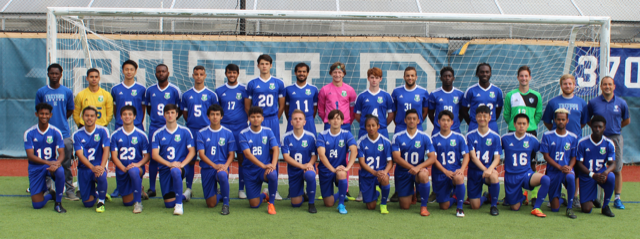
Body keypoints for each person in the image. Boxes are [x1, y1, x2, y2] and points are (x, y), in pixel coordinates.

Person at [244, 54, 285, 200]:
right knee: (255, 150)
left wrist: (274, 118)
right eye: (261, 64)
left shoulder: (278, 83)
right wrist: (254, 118)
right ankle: (252, 184)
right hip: (256, 119)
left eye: (267, 63)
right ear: (258, 66)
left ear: (271, 65)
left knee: (274, 150)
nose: (264, 66)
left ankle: (274, 188)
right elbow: (247, 105)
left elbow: (281, 105)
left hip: (272, 120)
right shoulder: (252, 83)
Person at [35, 63, 77, 201]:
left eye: (56, 73)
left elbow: (70, 109)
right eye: (51, 73)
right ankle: (47, 189)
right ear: (48, 74)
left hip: (63, 134)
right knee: (46, 163)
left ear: (61, 75)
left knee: (65, 163)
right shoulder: (41, 92)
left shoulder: (67, 92)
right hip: (46, 134)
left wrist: (61, 120)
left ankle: (69, 190)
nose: (54, 76)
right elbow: (40, 111)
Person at [587, 76, 630, 210]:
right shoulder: (593, 102)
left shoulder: (621, 103)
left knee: (616, 168)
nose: (607, 87)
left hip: (615, 138)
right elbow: (588, 119)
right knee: (594, 167)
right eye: (605, 84)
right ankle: (594, 196)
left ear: (614, 86)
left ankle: (617, 198)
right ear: (601, 86)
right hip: (598, 139)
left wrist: (614, 128)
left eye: (609, 84)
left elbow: (626, 120)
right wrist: (598, 131)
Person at [109, 59, 146, 198]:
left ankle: (139, 187)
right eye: (126, 69)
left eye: (132, 69)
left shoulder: (142, 89)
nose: (129, 72)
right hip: (120, 126)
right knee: (120, 156)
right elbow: (115, 109)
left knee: (137, 156)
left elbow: (143, 108)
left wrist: (136, 123)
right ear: (123, 71)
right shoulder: (115, 89)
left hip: (137, 127)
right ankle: (120, 187)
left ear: (135, 71)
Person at [182, 65, 220, 199]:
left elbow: (216, 112)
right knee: (191, 160)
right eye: (196, 74)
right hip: (192, 130)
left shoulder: (211, 94)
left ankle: (217, 187)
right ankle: (189, 188)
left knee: (211, 158)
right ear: (193, 76)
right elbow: (185, 114)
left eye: (201, 74)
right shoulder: (186, 94)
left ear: (205, 76)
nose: (199, 76)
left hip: (208, 132)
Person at [501, 114, 550, 217]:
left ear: (528, 125)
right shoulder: (505, 138)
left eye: (524, 123)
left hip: (526, 174)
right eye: (519, 123)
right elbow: (495, 152)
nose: (521, 126)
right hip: (511, 176)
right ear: (514, 124)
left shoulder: (533, 139)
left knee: (546, 179)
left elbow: (540, 151)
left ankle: (536, 208)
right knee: (515, 208)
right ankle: (523, 197)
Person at [151, 104, 195, 216]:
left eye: (172, 112)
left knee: (175, 171)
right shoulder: (158, 133)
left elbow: (192, 152)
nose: (170, 115)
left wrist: (182, 164)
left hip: (181, 168)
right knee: (169, 204)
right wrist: (170, 164)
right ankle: (185, 196)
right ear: (164, 115)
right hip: (165, 169)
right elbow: (155, 155)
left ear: (176, 114)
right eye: (167, 113)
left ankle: (179, 205)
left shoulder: (185, 131)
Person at [145, 64, 182, 198]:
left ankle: (178, 185)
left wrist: (170, 121)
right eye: (158, 71)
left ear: (168, 73)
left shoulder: (175, 90)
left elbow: (179, 110)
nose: (161, 73)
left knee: (173, 156)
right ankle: (152, 188)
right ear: (155, 73)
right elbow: (149, 109)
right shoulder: (150, 90)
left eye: (163, 71)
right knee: (154, 157)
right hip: (155, 127)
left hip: (170, 128)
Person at [391, 109, 436, 216]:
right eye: (409, 118)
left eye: (414, 119)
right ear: (405, 120)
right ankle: (413, 193)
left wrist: (418, 167)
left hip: (418, 172)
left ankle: (424, 207)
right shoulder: (397, 136)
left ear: (418, 121)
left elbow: (432, 158)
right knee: (404, 206)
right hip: (403, 172)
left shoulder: (425, 137)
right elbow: (396, 158)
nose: (412, 121)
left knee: (424, 174)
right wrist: (412, 167)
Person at [24, 103, 67, 213]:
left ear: (50, 115)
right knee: (37, 205)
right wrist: (49, 163)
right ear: (36, 114)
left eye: (46, 114)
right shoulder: (29, 133)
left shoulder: (56, 132)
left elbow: (62, 152)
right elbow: (30, 155)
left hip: (51, 164)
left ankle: (58, 203)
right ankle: (51, 195)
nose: (44, 116)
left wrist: (57, 163)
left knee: (60, 171)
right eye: (41, 113)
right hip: (35, 167)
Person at [215, 64, 249, 199]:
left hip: (240, 128)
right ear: (226, 74)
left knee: (242, 159)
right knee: (222, 158)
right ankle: (223, 188)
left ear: (238, 74)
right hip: (224, 129)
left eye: (234, 73)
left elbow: (247, 108)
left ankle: (241, 189)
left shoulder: (244, 89)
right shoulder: (219, 90)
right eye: (229, 73)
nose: (232, 75)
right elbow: (217, 112)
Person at [238, 106, 280, 215]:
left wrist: (273, 165)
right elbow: (247, 154)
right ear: (249, 118)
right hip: (250, 171)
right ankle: (264, 195)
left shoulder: (268, 131)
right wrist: (263, 165)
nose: (255, 119)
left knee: (272, 174)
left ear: (262, 118)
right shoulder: (243, 133)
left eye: (258, 116)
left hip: (263, 171)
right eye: (252, 117)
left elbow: (276, 149)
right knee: (254, 205)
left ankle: (271, 204)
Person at [197, 104, 236, 215]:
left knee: (223, 175)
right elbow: (201, 155)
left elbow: (231, 154)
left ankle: (226, 204)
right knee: (211, 204)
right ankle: (219, 194)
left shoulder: (228, 133)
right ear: (208, 116)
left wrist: (225, 166)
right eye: (212, 114)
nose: (215, 117)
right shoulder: (201, 133)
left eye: (217, 114)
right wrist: (214, 165)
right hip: (207, 168)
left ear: (221, 117)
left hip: (222, 167)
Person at [316, 110, 358, 214]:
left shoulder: (346, 134)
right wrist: (333, 169)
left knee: (342, 173)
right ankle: (340, 193)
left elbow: (354, 150)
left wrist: (347, 168)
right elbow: (321, 155)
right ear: (328, 121)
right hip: (326, 170)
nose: (335, 120)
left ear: (342, 121)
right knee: (328, 203)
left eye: (338, 118)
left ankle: (341, 204)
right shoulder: (322, 135)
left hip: (339, 170)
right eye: (333, 118)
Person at [110, 106, 150, 213]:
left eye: (130, 114)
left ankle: (138, 203)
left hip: (136, 169)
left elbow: (147, 155)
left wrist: (138, 164)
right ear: (120, 117)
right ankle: (139, 190)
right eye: (124, 114)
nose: (127, 116)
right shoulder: (115, 135)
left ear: (134, 117)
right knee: (127, 202)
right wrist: (123, 168)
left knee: (133, 171)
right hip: (122, 170)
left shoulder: (141, 135)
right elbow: (114, 156)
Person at [575, 115, 616, 217]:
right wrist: (592, 174)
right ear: (591, 127)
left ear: (604, 128)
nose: (597, 129)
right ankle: (593, 198)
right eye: (595, 127)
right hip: (587, 175)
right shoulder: (582, 142)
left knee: (611, 177)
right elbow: (578, 164)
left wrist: (606, 172)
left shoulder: (609, 143)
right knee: (586, 209)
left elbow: (613, 163)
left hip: (601, 173)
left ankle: (605, 206)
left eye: (600, 127)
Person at [540, 108, 578, 219]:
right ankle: (561, 199)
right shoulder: (547, 135)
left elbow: (573, 157)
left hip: (566, 170)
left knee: (571, 177)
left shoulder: (573, 137)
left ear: (567, 121)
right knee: (555, 209)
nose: (561, 121)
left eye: (563, 119)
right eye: (558, 119)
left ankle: (569, 207)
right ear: (554, 120)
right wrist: (559, 167)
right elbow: (546, 156)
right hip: (553, 171)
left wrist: (570, 167)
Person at [73, 106, 111, 213]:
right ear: (82, 117)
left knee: (101, 175)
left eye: (92, 116)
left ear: (96, 117)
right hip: (85, 169)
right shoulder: (77, 134)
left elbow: (106, 151)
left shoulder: (103, 131)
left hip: (98, 166)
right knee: (88, 204)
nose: (89, 118)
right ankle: (98, 192)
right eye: (86, 116)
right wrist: (92, 167)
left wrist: (102, 167)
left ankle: (101, 201)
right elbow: (80, 155)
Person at [431, 110, 469, 217]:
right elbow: (433, 159)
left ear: (452, 122)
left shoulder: (459, 137)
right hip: (440, 174)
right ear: (438, 121)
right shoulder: (433, 139)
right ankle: (455, 198)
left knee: (459, 178)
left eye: (448, 120)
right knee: (444, 206)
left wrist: (461, 170)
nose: (445, 123)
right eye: (443, 120)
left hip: (454, 172)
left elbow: (466, 155)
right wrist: (445, 171)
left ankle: (460, 208)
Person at [466, 106, 502, 216]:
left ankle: (494, 206)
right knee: (474, 206)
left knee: (494, 176)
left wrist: (490, 169)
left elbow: (497, 158)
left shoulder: (495, 137)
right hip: (474, 172)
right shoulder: (470, 136)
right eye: (480, 116)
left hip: (488, 172)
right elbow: (473, 157)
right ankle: (485, 197)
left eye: (485, 116)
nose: (482, 118)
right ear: (475, 117)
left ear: (490, 118)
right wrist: (485, 169)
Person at [282, 109, 318, 213]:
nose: (298, 121)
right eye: (295, 119)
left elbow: (314, 156)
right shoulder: (286, 137)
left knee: (310, 175)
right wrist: (302, 166)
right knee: (295, 204)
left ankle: (311, 203)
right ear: (291, 122)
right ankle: (302, 195)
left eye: (300, 119)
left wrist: (309, 165)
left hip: (307, 169)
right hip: (294, 171)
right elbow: (286, 157)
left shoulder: (311, 137)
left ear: (304, 122)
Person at [356, 115, 393, 214]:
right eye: (368, 126)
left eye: (373, 125)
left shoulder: (386, 142)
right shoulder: (361, 142)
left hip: (380, 174)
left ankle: (383, 204)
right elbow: (362, 162)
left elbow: (390, 162)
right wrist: (374, 172)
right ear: (365, 127)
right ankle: (376, 193)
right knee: (370, 207)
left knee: (385, 178)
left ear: (378, 126)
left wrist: (384, 172)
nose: (371, 128)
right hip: (367, 175)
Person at [461, 63, 503, 133]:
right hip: (475, 124)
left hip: (491, 125)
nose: (485, 74)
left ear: (490, 74)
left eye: (487, 72)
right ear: (477, 74)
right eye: (482, 72)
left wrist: (490, 119)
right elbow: (464, 111)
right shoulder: (470, 90)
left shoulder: (497, 91)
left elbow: (498, 110)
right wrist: (472, 122)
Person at [354, 67, 394, 139]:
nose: (374, 80)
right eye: (372, 77)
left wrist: (382, 124)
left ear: (380, 79)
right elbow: (357, 115)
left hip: (381, 130)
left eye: (376, 77)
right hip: (365, 131)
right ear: (368, 78)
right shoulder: (361, 96)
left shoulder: (386, 96)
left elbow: (391, 115)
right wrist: (367, 124)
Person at [503, 66, 543, 135]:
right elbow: (506, 114)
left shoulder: (537, 95)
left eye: (526, 76)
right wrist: (514, 124)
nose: (524, 78)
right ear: (517, 78)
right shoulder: (510, 95)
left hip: (530, 131)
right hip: (513, 130)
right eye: (521, 76)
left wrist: (530, 124)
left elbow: (538, 114)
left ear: (530, 77)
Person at [318, 62, 357, 131]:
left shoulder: (350, 90)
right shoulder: (324, 89)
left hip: (345, 125)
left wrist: (347, 121)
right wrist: (328, 120)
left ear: (343, 74)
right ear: (331, 73)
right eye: (335, 72)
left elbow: (353, 109)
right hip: (329, 125)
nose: (337, 75)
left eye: (339, 72)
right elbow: (321, 110)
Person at [284, 63, 319, 136]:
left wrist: (309, 118)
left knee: (311, 143)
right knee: (291, 143)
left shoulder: (313, 89)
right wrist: (292, 118)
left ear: (307, 73)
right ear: (295, 73)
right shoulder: (288, 89)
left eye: (304, 71)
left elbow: (315, 107)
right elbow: (286, 108)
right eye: (299, 71)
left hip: (308, 120)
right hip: (294, 120)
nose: (301, 73)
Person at [392, 66, 429, 134]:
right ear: (404, 77)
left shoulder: (423, 92)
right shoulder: (396, 91)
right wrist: (398, 122)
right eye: (408, 75)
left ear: (416, 77)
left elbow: (425, 111)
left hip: (417, 127)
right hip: (401, 127)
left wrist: (417, 122)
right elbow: (393, 111)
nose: (410, 78)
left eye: (412, 75)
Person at [428, 66, 464, 135]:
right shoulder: (434, 94)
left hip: (455, 129)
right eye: (445, 76)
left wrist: (455, 123)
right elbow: (430, 114)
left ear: (453, 78)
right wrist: (438, 124)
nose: (447, 78)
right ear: (441, 78)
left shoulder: (460, 94)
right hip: (438, 130)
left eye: (449, 76)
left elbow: (462, 112)